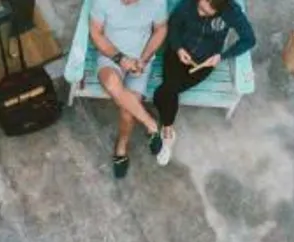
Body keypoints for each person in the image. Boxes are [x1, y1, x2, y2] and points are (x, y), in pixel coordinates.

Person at [152, 0, 255, 165]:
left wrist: (222, 56)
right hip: (176, 54)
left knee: (165, 91)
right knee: (170, 89)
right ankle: (168, 129)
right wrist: (178, 48)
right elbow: (173, 25)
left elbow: (249, 39)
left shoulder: (231, 11)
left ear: (219, 9)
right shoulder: (188, 3)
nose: (199, 13)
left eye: (205, 12)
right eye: (199, 7)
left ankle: (156, 116)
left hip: (203, 64)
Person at [90, 0, 170, 178]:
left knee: (128, 112)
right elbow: (95, 32)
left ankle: (122, 146)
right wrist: (120, 59)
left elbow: (161, 29)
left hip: (141, 59)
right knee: (111, 83)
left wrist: (144, 59)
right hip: (111, 56)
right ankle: (151, 124)